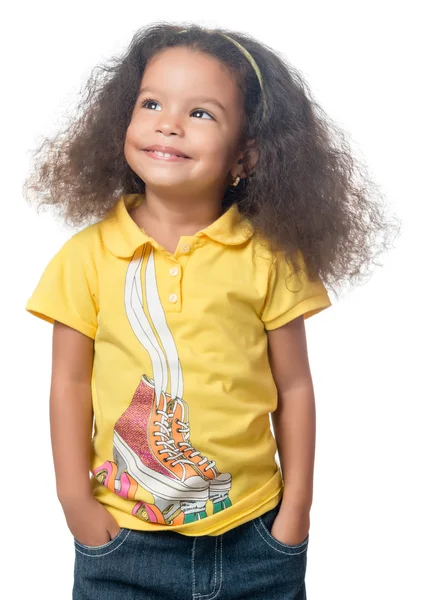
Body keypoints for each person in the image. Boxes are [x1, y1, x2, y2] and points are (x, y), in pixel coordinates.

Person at [23, 21, 400, 600]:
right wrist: (74, 498)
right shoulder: (86, 258)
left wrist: (296, 510)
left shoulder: (269, 259)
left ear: (245, 155)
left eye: (201, 113)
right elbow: (68, 383)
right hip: (123, 541)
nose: (168, 122)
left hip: (255, 536)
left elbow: (294, 386)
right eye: (151, 102)